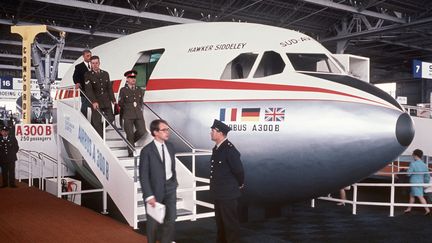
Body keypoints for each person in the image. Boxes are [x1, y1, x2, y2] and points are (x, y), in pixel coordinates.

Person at [139, 119, 177, 243]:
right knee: (153, 224)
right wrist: (149, 195)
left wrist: (173, 182)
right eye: (164, 130)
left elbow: (171, 167)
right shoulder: (147, 151)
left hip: (170, 187)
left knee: (171, 219)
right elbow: (143, 175)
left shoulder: (170, 147)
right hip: (154, 191)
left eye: (168, 129)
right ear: (155, 132)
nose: (167, 132)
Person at [209, 119, 245, 243]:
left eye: (213, 130)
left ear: (220, 133)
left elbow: (239, 171)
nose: (211, 133)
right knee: (221, 224)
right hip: (219, 193)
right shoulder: (217, 148)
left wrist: (240, 184)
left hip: (228, 194)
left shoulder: (229, 149)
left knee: (230, 226)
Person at [84, 55, 116, 138]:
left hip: (106, 100)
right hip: (96, 101)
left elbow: (109, 88)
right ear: (90, 64)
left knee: (111, 118)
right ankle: (100, 138)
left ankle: (96, 130)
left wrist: (113, 99)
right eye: (93, 63)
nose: (95, 65)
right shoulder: (88, 75)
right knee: (97, 121)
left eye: (96, 63)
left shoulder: (105, 74)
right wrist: (93, 101)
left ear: (99, 63)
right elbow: (89, 90)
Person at [118, 70, 146, 157]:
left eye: (134, 78)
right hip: (128, 115)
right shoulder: (123, 90)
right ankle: (131, 153)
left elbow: (140, 102)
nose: (133, 79)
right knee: (129, 134)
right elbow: (120, 103)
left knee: (142, 131)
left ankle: (129, 142)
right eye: (131, 78)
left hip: (138, 114)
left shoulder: (139, 90)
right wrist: (127, 109)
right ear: (127, 79)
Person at [403, 149, 431, 215]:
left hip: (414, 182)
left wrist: (407, 170)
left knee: (420, 196)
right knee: (412, 195)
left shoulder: (413, 164)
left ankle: (427, 210)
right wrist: (425, 183)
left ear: (415, 155)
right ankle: (409, 209)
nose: (412, 156)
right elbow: (427, 176)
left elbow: (408, 174)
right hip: (420, 182)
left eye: (413, 155)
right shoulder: (424, 165)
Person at [72, 49, 92, 118]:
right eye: (87, 56)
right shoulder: (79, 67)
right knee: (84, 106)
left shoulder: (93, 65)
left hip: (93, 91)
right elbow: (75, 76)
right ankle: (83, 120)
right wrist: (77, 82)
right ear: (83, 56)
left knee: (94, 107)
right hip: (84, 90)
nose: (89, 57)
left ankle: (94, 123)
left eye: (90, 55)